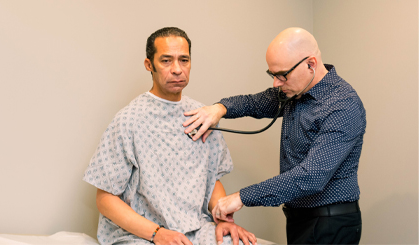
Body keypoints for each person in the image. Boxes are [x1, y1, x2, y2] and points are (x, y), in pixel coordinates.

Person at [183, 27, 366, 244]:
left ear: (311, 64)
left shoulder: (343, 105)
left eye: (282, 75)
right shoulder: (295, 91)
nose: (276, 83)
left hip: (331, 223)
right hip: (298, 219)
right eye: (273, 75)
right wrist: (219, 108)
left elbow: (311, 176)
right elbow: (253, 103)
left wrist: (241, 197)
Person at [83, 27, 257, 245]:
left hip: (197, 226)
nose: (177, 69)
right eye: (166, 61)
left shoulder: (202, 116)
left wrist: (223, 219)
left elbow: (212, 179)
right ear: (149, 65)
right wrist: (157, 234)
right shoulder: (129, 120)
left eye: (184, 60)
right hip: (143, 233)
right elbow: (105, 199)